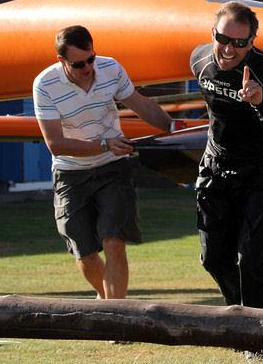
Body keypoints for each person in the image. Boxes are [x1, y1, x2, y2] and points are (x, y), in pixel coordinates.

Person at [33, 25, 173, 303]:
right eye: (79, 63)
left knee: (114, 241)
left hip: (113, 167)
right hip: (70, 172)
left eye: (91, 59)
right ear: (62, 61)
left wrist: (173, 127)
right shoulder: (44, 85)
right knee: (84, 253)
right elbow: (55, 144)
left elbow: (141, 105)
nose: (88, 67)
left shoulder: (110, 69)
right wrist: (102, 144)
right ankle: (107, 300)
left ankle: (117, 317)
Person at [190, 2, 263, 320]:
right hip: (217, 166)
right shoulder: (199, 59)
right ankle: (249, 308)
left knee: (250, 260)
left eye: (239, 43)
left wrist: (261, 102)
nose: (228, 50)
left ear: (252, 42)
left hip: (261, 172)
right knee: (212, 258)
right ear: (213, 33)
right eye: (223, 39)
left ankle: (253, 336)